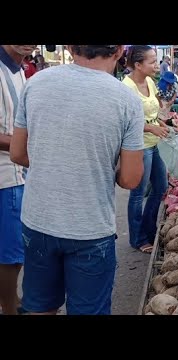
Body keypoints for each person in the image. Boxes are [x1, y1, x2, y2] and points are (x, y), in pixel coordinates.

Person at [9, 45, 145, 315]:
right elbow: (130, 179)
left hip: (38, 222)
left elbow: (17, 152)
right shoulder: (127, 99)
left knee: (38, 307)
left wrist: (54, 163)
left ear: (70, 48)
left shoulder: (35, 83)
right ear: (119, 51)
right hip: (90, 229)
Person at [122, 46, 170, 254]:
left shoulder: (150, 82)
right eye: (151, 62)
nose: (156, 65)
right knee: (137, 193)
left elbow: (152, 112)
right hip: (138, 147)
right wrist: (151, 127)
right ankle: (138, 238)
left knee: (161, 186)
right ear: (138, 65)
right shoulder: (126, 87)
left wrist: (161, 122)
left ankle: (149, 229)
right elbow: (126, 121)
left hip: (154, 143)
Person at [0, 45, 36, 315]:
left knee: (14, 251)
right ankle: (10, 308)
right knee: (10, 255)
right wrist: (27, 146)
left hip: (18, 173)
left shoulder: (20, 70)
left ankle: (12, 299)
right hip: (5, 176)